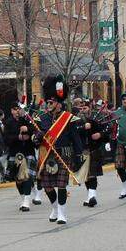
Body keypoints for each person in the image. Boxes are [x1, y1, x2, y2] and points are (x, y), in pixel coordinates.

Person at [32, 76, 83, 224]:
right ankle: (55, 208)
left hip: (63, 154)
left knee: (61, 185)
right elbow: (35, 137)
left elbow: (76, 139)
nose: (48, 105)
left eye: (51, 102)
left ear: (59, 104)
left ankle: (62, 213)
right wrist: (37, 138)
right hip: (46, 155)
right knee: (47, 186)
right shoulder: (41, 118)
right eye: (47, 102)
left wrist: (79, 155)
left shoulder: (68, 118)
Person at [4, 103, 38, 212]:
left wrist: (27, 128)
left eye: (19, 109)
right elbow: (6, 139)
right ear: (11, 111)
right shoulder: (8, 122)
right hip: (15, 153)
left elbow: (36, 130)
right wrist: (18, 137)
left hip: (28, 152)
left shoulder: (28, 119)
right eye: (15, 109)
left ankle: (27, 201)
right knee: (18, 180)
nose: (17, 111)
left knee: (27, 177)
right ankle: (24, 199)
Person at [77, 98, 108, 207]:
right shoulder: (75, 120)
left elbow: (106, 132)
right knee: (86, 175)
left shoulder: (95, 119)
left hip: (94, 150)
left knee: (92, 175)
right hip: (82, 151)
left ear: (89, 108)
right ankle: (90, 196)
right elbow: (72, 132)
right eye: (80, 108)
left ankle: (92, 196)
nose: (82, 110)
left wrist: (100, 135)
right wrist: (83, 127)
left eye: (84, 108)